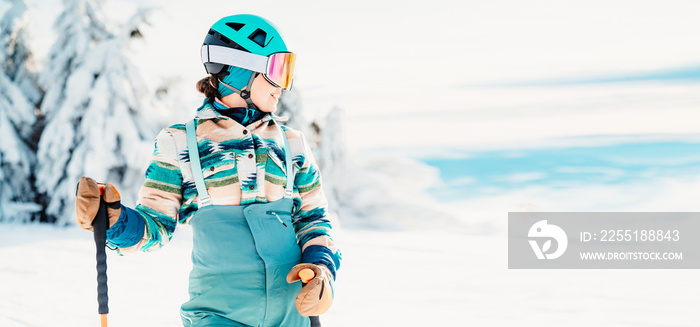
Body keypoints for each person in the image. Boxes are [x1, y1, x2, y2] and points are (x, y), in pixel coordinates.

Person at [74, 14, 341, 327]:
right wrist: (113, 221)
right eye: (276, 70)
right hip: (218, 317)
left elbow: (314, 221)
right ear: (240, 70)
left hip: (292, 316)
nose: (282, 87)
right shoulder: (181, 143)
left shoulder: (292, 144)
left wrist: (321, 269)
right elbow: (155, 228)